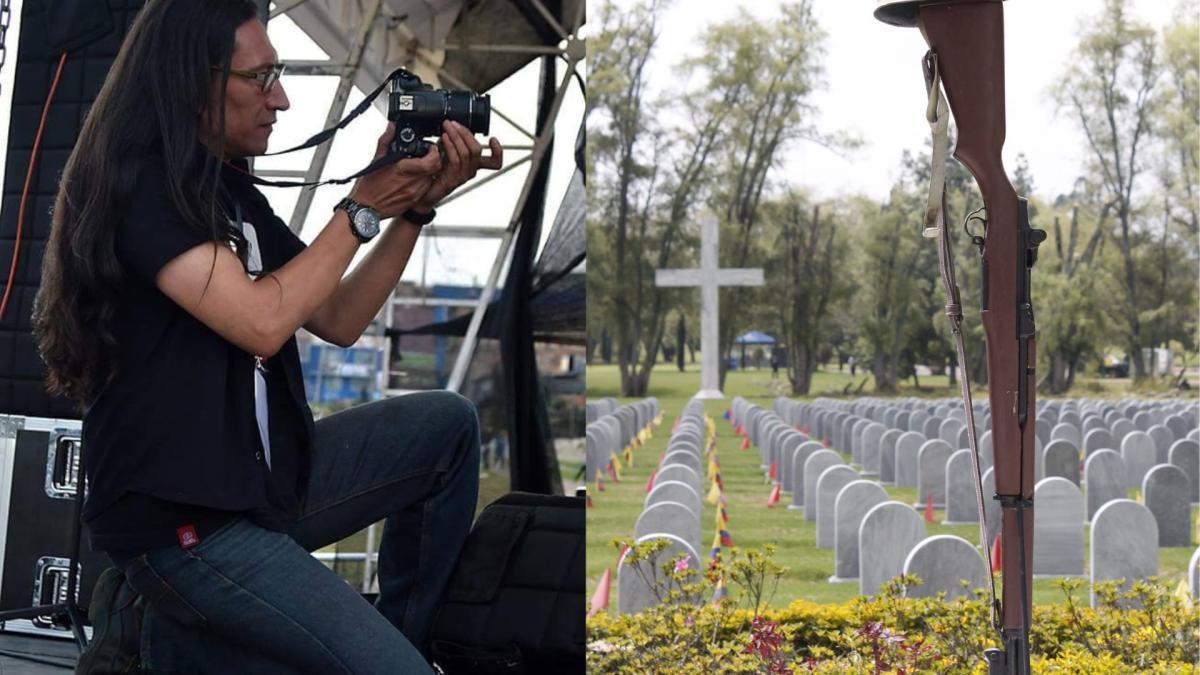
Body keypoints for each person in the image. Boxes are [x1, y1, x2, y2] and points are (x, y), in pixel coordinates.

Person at [32, 1, 503, 672]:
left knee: (448, 428)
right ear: (190, 83)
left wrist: (412, 209)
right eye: (260, 79)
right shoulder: (139, 187)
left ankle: (404, 642)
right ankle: (154, 620)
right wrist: (364, 202)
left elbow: (337, 317)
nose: (280, 99)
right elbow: (260, 320)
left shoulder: (230, 193)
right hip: (186, 528)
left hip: (256, 488)